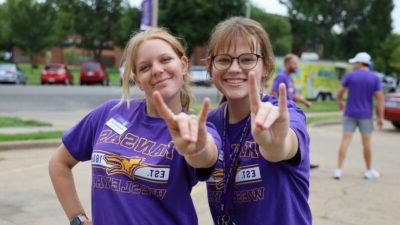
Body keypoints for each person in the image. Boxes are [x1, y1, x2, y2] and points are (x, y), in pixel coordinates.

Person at [48, 27, 220, 225]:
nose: (156, 70)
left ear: (183, 65)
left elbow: (207, 155)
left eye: (165, 60)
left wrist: (197, 147)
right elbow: (59, 162)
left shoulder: (196, 129)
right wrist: (77, 219)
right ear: (137, 80)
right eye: (145, 67)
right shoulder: (110, 112)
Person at [205, 17, 311, 225]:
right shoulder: (209, 124)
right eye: (224, 59)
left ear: (267, 66)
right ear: (210, 66)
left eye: (247, 59)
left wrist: (275, 144)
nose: (234, 68)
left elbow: (284, 145)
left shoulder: (285, 115)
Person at [333, 52, 384, 180]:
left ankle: (338, 170)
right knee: (366, 143)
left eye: (355, 62)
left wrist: (340, 103)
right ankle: (368, 170)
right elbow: (380, 100)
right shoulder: (375, 78)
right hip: (366, 115)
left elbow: (339, 93)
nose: (354, 65)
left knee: (345, 140)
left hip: (350, 113)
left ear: (360, 63)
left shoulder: (350, 76)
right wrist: (380, 117)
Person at [271, 53, 318, 169]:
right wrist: (278, 112)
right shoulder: (281, 77)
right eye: (294, 63)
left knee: (301, 136)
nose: (296, 66)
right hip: (284, 115)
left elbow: (293, 94)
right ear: (287, 64)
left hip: (292, 113)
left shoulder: (289, 78)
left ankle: (303, 159)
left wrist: (305, 102)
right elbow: (273, 93)